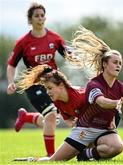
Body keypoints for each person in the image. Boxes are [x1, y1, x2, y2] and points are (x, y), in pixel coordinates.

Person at [14, 27, 123, 162]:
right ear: (105, 64)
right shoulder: (94, 84)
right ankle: (31, 160)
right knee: (55, 161)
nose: (118, 65)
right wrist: (114, 106)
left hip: (103, 129)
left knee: (117, 147)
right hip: (85, 129)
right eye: (115, 62)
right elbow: (100, 101)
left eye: (120, 63)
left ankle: (85, 155)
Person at [6, 2, 77, 157]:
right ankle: (52, 157)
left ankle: (26, 117)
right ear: (30, 20)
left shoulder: (54, 38)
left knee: (51, 121)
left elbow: (68, 54)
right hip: (34, 85)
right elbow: (11, 65)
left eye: (42, 15)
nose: (40, 18)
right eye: (36, 16)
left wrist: (75, 57)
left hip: (54, 84)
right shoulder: (23, 42)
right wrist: (11, 81)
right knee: (51, 115)